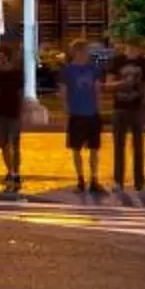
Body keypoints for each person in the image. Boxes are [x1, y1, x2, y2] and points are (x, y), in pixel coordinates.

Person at [60, 42, 107, 197]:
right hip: (76, 113)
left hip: (91, 113)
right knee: (76, 149)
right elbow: (63, 91)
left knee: (94, 149)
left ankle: (94, 179)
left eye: (87, 51)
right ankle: (80, 180)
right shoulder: (67, 70)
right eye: (84, 51)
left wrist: (99, 111)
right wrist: (66, 110)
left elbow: (97, 89)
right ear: (76, 52)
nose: (87, 54)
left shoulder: (93, 69)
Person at [106, 51, 145, 195]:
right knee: (119, 147)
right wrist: (122, 83)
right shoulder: (117, 60)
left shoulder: (143, 62)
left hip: (137, 109)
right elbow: (108, 85)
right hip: (120, 108)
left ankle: (140, 182)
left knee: (138, 148)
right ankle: (118, 181)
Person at [0, 39, 26, 194]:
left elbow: (20, 93)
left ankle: (16, 173)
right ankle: (10, 172)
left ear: (7, 57)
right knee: (3, 145)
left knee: (15, 145)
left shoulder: (16, 74)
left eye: (1, 56)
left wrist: (23, 111)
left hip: (13, 112)